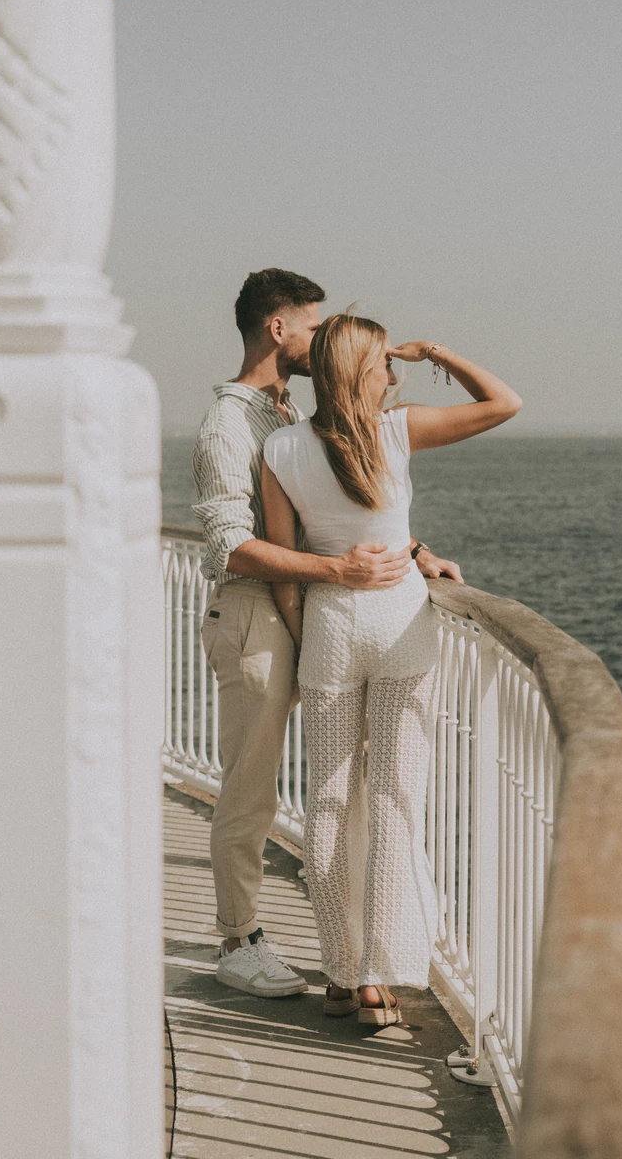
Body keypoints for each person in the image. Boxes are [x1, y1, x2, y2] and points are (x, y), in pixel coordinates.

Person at [193, 270, 465, 999]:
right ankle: (237, 939)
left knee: (316, 792)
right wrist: (336, 571)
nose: (321, 340)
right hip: (256, 612)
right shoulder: (230, 424)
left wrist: (411, 552)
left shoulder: (283, 418)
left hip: (301, 608)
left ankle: (346, 964)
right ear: (276, 329)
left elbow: (338, 504)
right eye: (311, 327)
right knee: (250, 789)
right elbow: (228, 544)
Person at [260, 313, 521, 1024]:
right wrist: (437, 349)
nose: (393, 374)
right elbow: (504, 403)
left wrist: (306, 628)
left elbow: (288, 566)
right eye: (384, 364)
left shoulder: (281, 448)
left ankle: (343, 973)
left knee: (329, 801)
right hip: (403, 630)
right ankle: (381, 972)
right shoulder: (396, 432)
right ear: (360, 373)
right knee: (394, 802)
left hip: (332, 629)